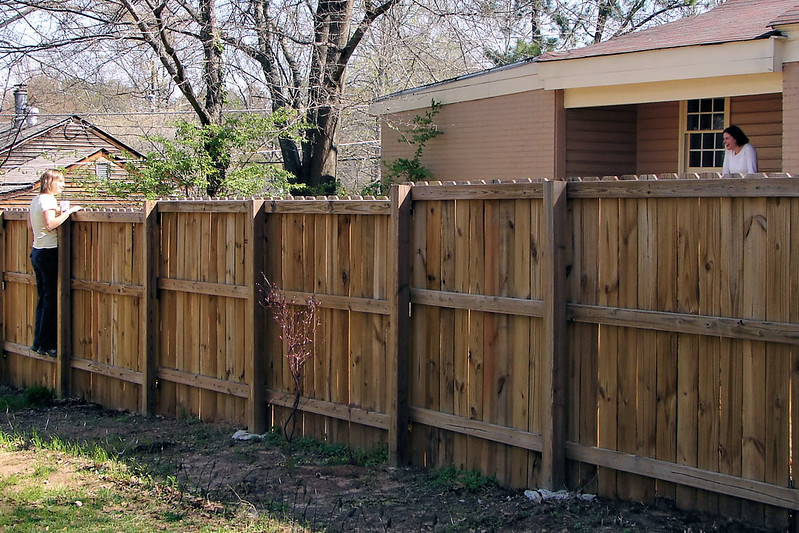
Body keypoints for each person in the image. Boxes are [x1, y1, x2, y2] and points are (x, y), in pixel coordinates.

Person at [27, 169, 81, 358]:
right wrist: (69, 212)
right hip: (49, 252)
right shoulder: (48, 200)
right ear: (51, 182)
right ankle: (48, 345)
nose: (63, 186)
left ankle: (37, 343)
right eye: (61, 182)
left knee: (42, 299)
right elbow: (50, 224)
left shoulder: (35, 200)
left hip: (36, 252)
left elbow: (30, 226)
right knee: (51, 300)